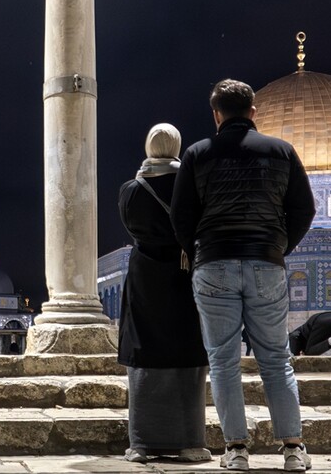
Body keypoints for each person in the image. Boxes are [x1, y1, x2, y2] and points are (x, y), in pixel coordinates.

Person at [172, 79, 317, 472]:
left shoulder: (198, 153)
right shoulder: (281, 151)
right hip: (265, 263)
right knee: (276, 359)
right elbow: (304, 210)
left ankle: (236, 450)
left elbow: (181, 216)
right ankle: (292, 449)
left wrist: (200, 251)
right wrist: (277, 247)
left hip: (214, 263)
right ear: (253, 112)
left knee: (223, 362)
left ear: (216, 115)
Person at [117, 123, 211, 465]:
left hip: (145, 279)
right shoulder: (193, 186)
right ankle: (190, 443)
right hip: (185, 274)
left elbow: (131, 227)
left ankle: (141, 444)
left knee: (145, 353)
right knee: (187, 352)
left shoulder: (131, 190)